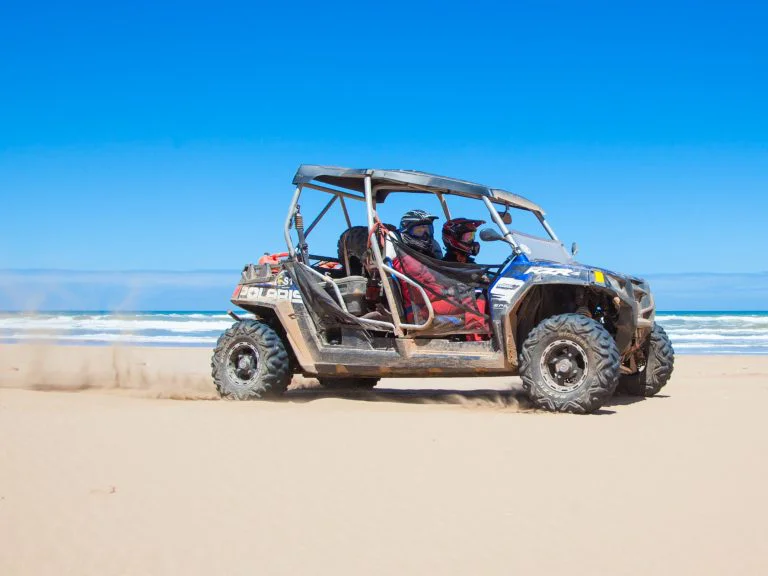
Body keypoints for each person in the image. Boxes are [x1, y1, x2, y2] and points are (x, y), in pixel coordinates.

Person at [391, 210, 488, 336]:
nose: (425, 234)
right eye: (419, 230)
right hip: (421, 310)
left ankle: (483, 335)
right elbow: (425, 289)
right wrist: (450, 291)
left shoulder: (421, 257)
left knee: (479, 294)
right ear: (406, 232)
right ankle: (478, 340)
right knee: (476, 296)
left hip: (429, 304)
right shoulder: (408, 260)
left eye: (428, 230)